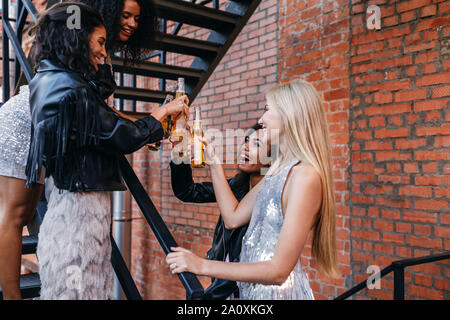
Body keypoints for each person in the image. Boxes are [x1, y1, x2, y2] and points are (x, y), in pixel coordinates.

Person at [0, 0, 173, 299]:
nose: (132, 23)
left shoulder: (98, 54)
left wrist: (145, 127)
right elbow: (95, 113)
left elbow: (99, 113)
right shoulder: (77, 46)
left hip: (57, 126)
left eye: (137, 18)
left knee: (32, 213)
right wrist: (147, 124)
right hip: (25, 120)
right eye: (125, 14)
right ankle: (12, 295)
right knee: (17, 213)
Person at [166, 79, 340, 299]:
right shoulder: (278, 171)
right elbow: (232, 217)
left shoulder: (306, 176)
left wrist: (201, 265)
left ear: (290, 115)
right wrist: (213, 162)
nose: (260, 119)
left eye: (267, 110)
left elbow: (278, 271)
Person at [169, 123, 270, 299]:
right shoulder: (235, 186)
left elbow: (248, 262)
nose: (245, 147)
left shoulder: (272, 197)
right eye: (247, 140)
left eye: (257, 144)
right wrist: (180, 153)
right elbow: (187, 191)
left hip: (250, 289)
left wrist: (210, 294)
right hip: (225, 282)